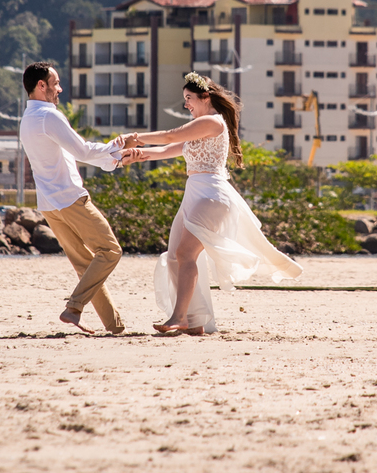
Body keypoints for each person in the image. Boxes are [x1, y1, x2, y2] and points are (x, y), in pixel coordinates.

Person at [121, 72, 302, 335]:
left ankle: (179, 317)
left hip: (212, 196)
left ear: (205, 97)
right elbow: (166, 150)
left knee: (185, 254)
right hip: (195, 194)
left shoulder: (213, 122)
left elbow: (171, 136)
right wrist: (136, 154)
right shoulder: (198, 129)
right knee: (174, 256)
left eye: (189, 99)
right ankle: (195, 321)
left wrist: (136, 137)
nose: (186, 105)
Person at [19, 62, 132, 335]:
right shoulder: (49, 116)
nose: (60, 88)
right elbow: (82, 151)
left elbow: (70, 156)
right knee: (111, 251)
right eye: (55, 83)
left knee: (85, 265)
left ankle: (114, 326)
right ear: (41, 86)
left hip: (49, 205)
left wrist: (113, 161)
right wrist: (117, 146)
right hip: (70, 199)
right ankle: (74, 307)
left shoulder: (28, 119)